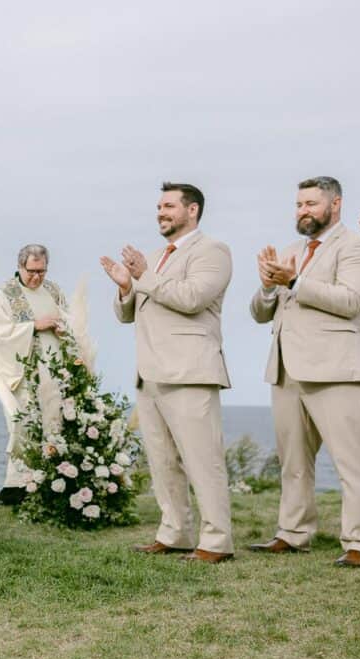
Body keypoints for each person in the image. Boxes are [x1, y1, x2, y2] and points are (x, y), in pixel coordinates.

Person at [100, 182, 234, 563]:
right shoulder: (155, 257)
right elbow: (129, 314)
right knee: (163, 462)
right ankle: (175, 532)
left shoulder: (213, 251)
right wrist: (126, 287)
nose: (161, 212)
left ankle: (217, 541)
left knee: (203, 462)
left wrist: (144, 276)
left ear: (192, 210)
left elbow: (192, 298)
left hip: (191, 372)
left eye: (169, 206)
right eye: (159, 206)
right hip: (150, 373)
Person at [249, 176, 360, 567]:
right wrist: (268, 286)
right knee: (294, 462)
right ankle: (293, 532)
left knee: (354, 462)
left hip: (337, 369)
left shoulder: (358, 247)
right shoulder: (290, 251)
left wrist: (296, 281)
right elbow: (260, 312)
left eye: (311, 204)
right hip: (287, 370)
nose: (302, 211)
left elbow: (351, 300)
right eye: (298, 204)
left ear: (335, 205)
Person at [0, 244, 67, 505]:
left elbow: (69, 319)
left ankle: (51, 483)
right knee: (21, 424)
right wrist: (34, 326)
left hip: (53, 369)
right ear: (21, 267)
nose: (37, 277)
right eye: (31, 271)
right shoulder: (5, 295)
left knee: (53, 424)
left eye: (42, 271)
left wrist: (64, 327)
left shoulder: (53, 291)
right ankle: (15, 485)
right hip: (21, 371)